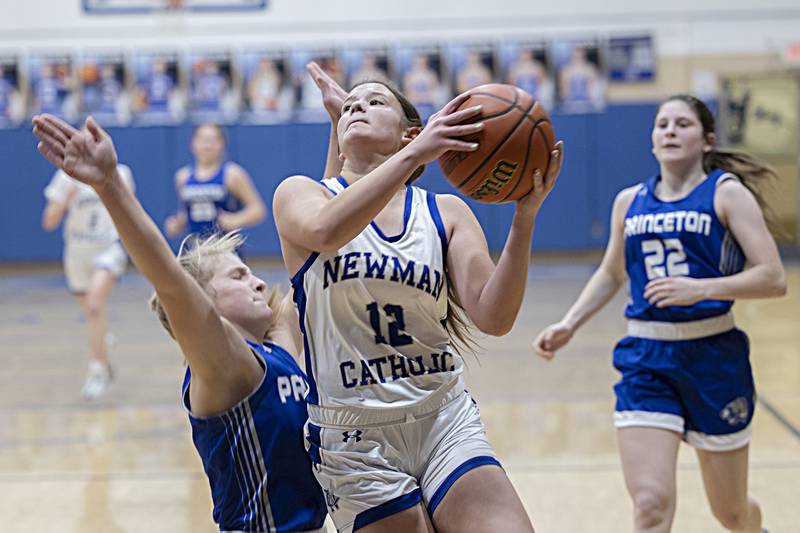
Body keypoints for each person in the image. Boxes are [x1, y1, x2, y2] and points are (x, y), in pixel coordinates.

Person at [276, 63, 564, 532]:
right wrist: (412, 157)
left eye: (374, 102)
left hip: (442, 416)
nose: (356, 108)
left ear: (411, 134)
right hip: (353, 435)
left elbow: (494, 316)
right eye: (349, 105)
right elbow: (325, 230)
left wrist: (524, 217)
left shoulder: (444, 211)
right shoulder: (300, 194)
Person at [32, 113, 328, 532]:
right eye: (238, 276)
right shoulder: (224, 364)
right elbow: (170, 281)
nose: (259, 281)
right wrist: (109, 185)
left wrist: (342, 134)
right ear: (204, 301)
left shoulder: (279, 348)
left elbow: (320, 248)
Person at [533, 94, 786, 533]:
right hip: (646, 358)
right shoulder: (628, 201)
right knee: (650, 505)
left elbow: (772, 277)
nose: (669, 130)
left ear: (707, 140)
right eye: (662, 124)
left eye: (682, 124)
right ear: (651, 139)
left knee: (731, 513)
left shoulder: (726, 193)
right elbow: (612, 274)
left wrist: (700, 289)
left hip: (713, 358)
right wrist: (569, 323)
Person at [41, 151, 135, 400]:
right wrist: (63, 202)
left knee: (94, 307)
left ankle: (98, 370)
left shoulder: (119, 172)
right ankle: (102, 342)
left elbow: (130, 212)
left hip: (108, 248)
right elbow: (48, 222)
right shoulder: (65, 177)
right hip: (77, 252)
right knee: (93, 314)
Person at [165, 123, 266, 240]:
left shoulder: (232, 174)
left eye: (213, 140)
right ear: (193, 144)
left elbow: (258, 209)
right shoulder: (182, 177)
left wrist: (236, 220)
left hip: (226, 249)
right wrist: (177, 224)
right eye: (202, 139)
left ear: (222, 144)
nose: (207, 145)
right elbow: (186, 212)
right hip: (195, 250)